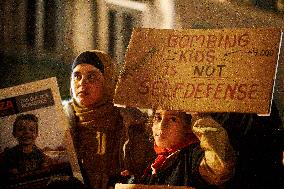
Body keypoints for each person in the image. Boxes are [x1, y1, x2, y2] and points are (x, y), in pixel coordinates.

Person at [63, 50, 154, 189]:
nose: (82, 83)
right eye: (77, 76)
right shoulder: (61, 119)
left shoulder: (132, 121)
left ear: (109, 80)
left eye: (91, 76)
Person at [133, 110, 236, 189]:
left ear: (187, 127)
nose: (161, 126)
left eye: (173, 119)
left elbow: (219, 168)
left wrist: (199, 118)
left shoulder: (194, 156)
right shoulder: (157, 161)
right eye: (158, 118)